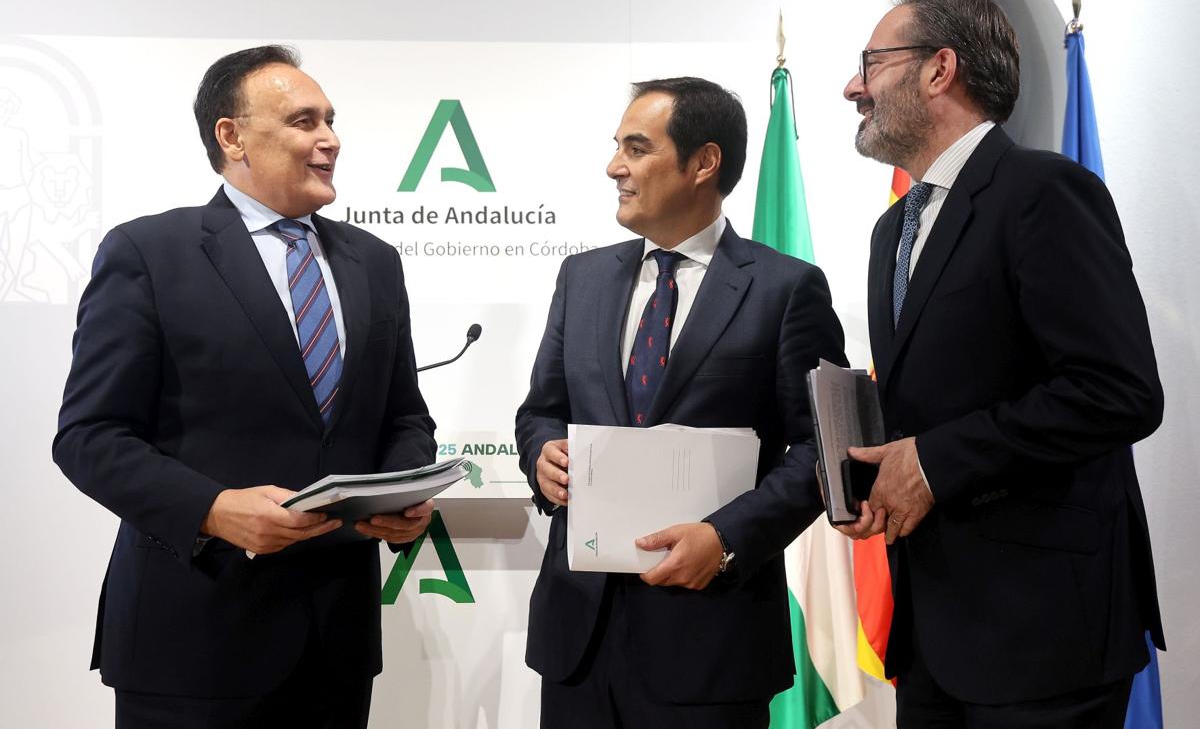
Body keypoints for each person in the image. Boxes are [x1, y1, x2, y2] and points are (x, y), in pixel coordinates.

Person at [53, 45, 437, 728]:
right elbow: (90, 437)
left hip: (336, 642)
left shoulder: (374, 262)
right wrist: (213, 508)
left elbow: (403, 415)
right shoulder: (149, 253)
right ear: (231, 136)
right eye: (303, 121)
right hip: (193, 638)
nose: (330, 139)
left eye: (330, 120)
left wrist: (401, 491)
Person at [839, 0, 1164, 727]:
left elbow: (1117, 391)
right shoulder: (893, 232)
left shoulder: (1044, 192)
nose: (853, 86)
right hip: (933, 634)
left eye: (871, 63)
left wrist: (934, 463)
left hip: (1044, 636)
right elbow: (935, 399)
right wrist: (871, 477)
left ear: (938, 69)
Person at [516, 77, 846, 728]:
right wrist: (541, 456)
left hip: (712, 640)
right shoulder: (581, 277)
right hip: (579, 638)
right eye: (617, 148)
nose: (615, 167)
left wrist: (726, 538)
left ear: (704, 163)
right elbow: (541, 410)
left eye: (636, 149)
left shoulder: (787, 289)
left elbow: (822, 451)